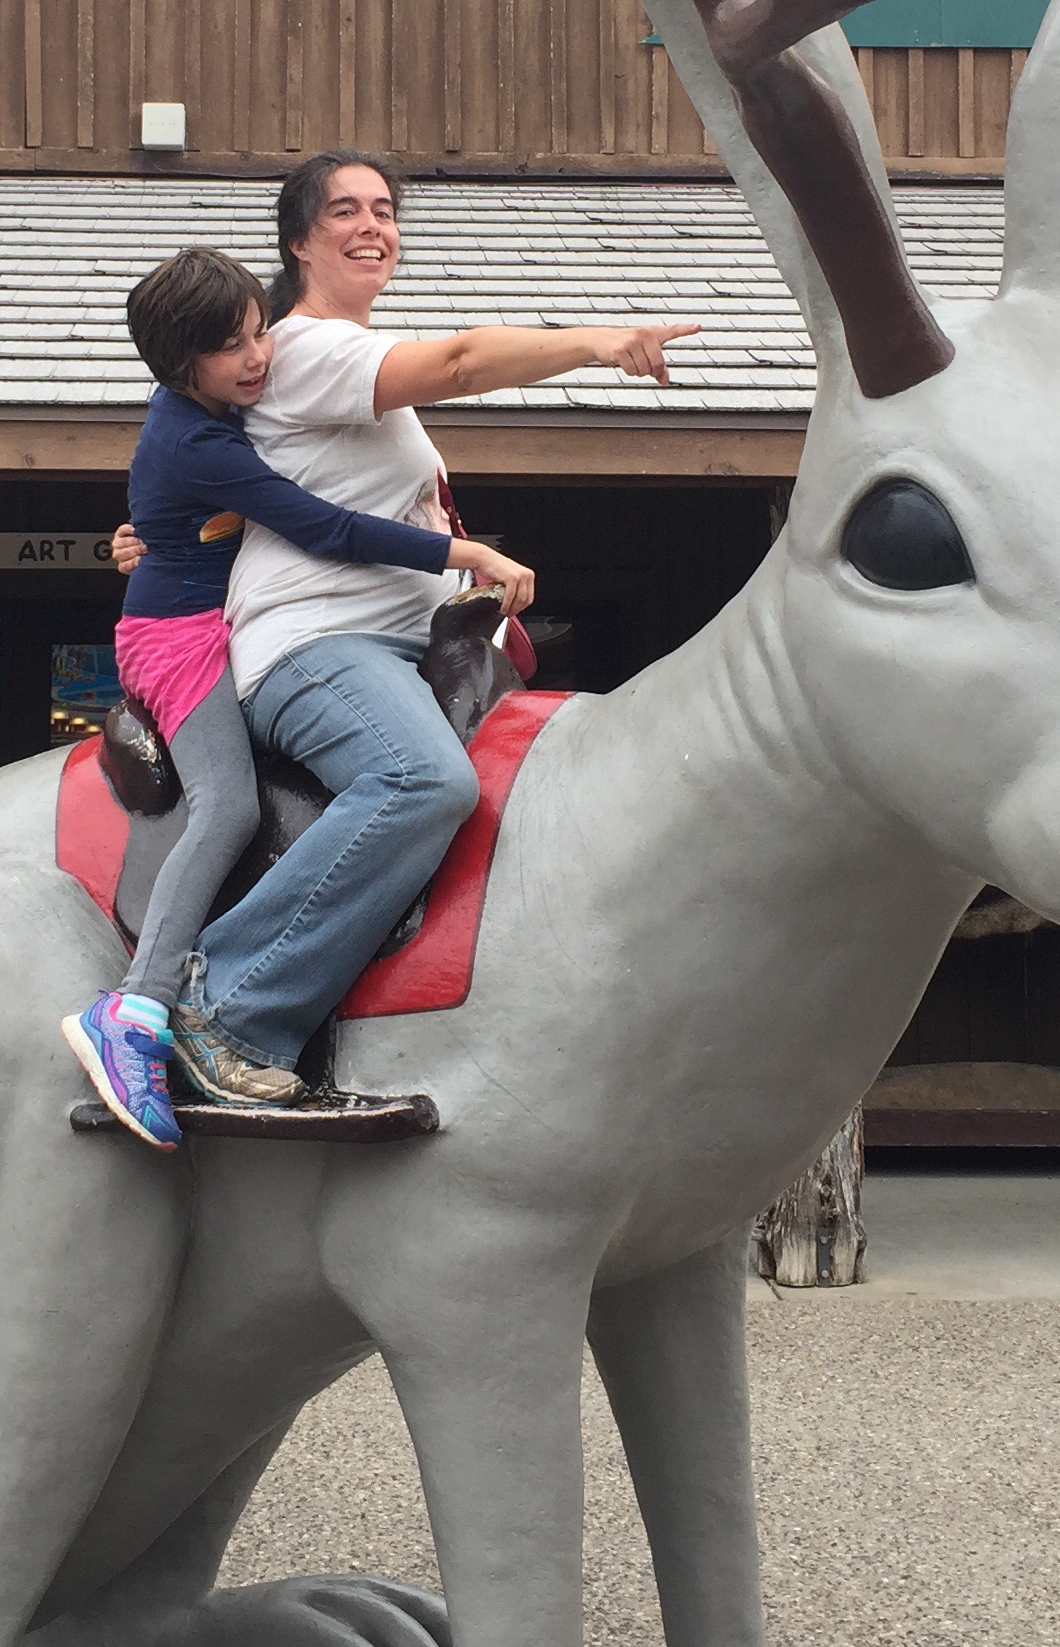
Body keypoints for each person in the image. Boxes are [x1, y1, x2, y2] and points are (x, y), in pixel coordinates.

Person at [142, 155, 698, 1109]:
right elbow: (461, 363)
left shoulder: (313, 360)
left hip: (397, 647)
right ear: (298, 242)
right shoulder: (306, 348)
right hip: (318, 646)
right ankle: (224, 1007)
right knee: (420, 780)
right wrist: (600, 342)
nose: (373, 226)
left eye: (386, 210)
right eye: (345, 211)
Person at [61, 245, 536, 1149]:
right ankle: (140, 1007)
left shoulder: (219, 410)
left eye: (257, 333)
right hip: (180, 641)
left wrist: (152, 533)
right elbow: (321, 524)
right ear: (179, 365)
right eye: (231, 347)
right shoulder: (200, 441)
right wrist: (463, 552)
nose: (257, 357)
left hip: (210, 619)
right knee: (228, 806)